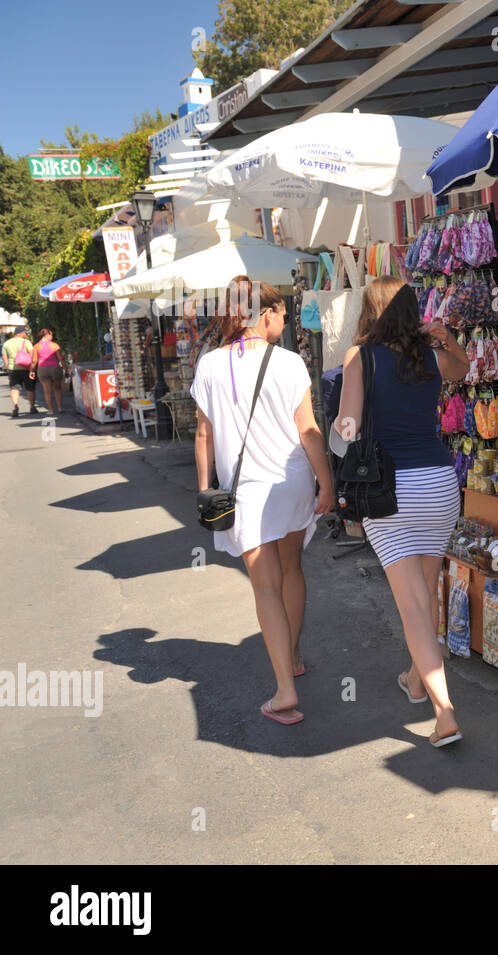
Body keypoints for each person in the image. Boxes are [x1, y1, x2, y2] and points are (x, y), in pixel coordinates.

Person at [332, 277, 470, 748]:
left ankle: (445, 711)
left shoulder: (361, 357)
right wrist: (444, 337)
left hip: (391, 491)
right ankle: (416, 678)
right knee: (425, 593)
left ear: (371, 310)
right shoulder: (427, 356)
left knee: (412, 607)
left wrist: (338, 426)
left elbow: (347, 430)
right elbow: (463, 371)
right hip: (439, 483)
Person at [190, 276, 334, 726]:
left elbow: (203, 435)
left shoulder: (209, 365)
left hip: (246, 491)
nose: (285, 322)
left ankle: (285, 691)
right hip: (291, 483)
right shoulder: (289, 362)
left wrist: (204, 489)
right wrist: (326, 482)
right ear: (265, 314)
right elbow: (309, 430)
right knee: (292, 569)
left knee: (265, 586)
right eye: (283, 315)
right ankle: (292, 656)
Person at [2, 329, 37, 417]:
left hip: (13, 369)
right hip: (26, 369)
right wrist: (33, 369)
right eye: (25, 333)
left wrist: (7, 368)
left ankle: (15, 406)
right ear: (20, 333)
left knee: (14, 388)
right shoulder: (26, 342)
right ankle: (32, 407)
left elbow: (5, 358)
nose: (26, 335)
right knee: (30, 388)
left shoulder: (6, 343)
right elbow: (32, 356)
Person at [30, 329, 65, 415]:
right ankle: (60, 408)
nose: (52, 337)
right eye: (51, 335)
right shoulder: (54, 345)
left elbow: (34, 361)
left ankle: (50, 410)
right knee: (57, 389)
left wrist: (31, 371)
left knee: (47, 391)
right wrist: (65, 368)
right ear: (47, 335)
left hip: (42, 369)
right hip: (55, 368)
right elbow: (61, 359)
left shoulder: (36, 346)